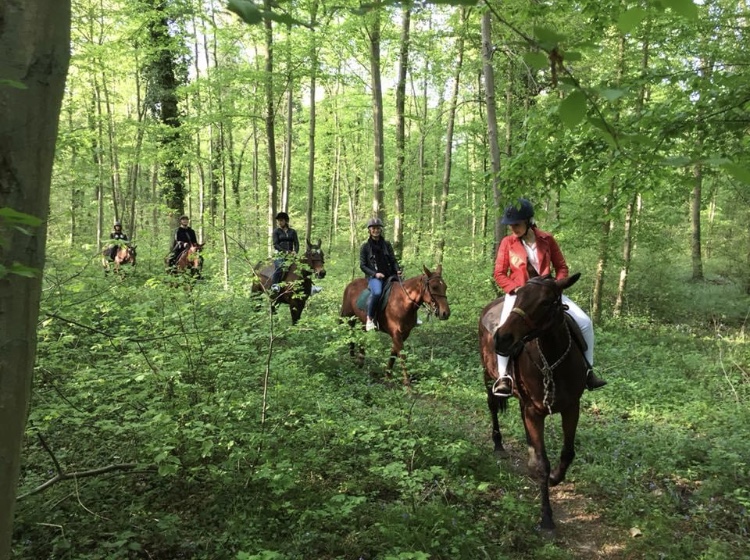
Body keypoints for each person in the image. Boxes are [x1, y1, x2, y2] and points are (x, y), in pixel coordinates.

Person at [492, 198, 607, 397]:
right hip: (520, 295)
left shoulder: (547, 239)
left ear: (528, 221)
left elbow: (562, 268)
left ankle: (589, 370)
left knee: (585, 322)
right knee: (502, 328)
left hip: (547, 294)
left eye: (517, 224)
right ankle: (504, 377)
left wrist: (555, 286)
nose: (513, 228)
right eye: (510, 225)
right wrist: (516, 290)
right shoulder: (507, 243)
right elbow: (499, 273)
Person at [359, 217, 402, 332]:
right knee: (377, 293)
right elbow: (362, 265)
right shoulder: (365, 247)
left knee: (404, 290)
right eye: (373, 228)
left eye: (378, 228)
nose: (376, 230)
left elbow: (393, 260)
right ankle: (369, 319)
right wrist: (375, 274)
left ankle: (411, 318)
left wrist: (397, 269)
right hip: (374, 277)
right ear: (369, 230)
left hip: (390, 274)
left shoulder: (386, 244)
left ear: (380, 230)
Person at [270, 211, 300, 292]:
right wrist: (285, 252)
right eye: (278, 221)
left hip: (291, 254)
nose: (279, 222)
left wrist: (295, 251)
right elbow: (275, 244)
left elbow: (296, 243)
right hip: (279, 254)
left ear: (286, 221)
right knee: (279, 267)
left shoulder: (293, 231)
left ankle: (310, 288)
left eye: (281, 220)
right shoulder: (276, 231)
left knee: (301, 267)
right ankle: (275, 285)